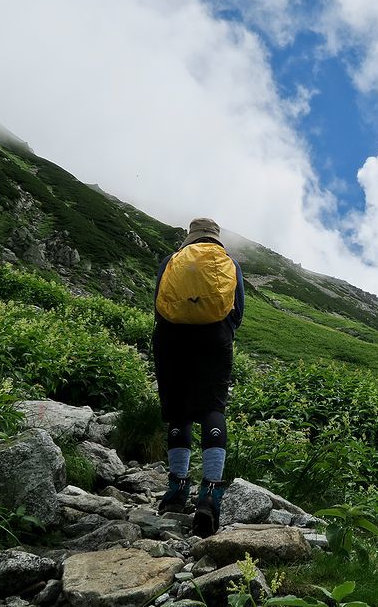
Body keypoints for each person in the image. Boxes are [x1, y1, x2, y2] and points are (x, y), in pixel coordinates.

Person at [152, 217, 244, 537]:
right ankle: (210, 494)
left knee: (178, 409)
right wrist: (220, 335)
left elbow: (159, 306)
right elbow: (238, 312)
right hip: (214, 341)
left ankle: (176, 490)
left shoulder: (171, 262)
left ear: (190, 238)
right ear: (216, 239)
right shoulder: (228, 264)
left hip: (171, 340)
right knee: (212, 408)